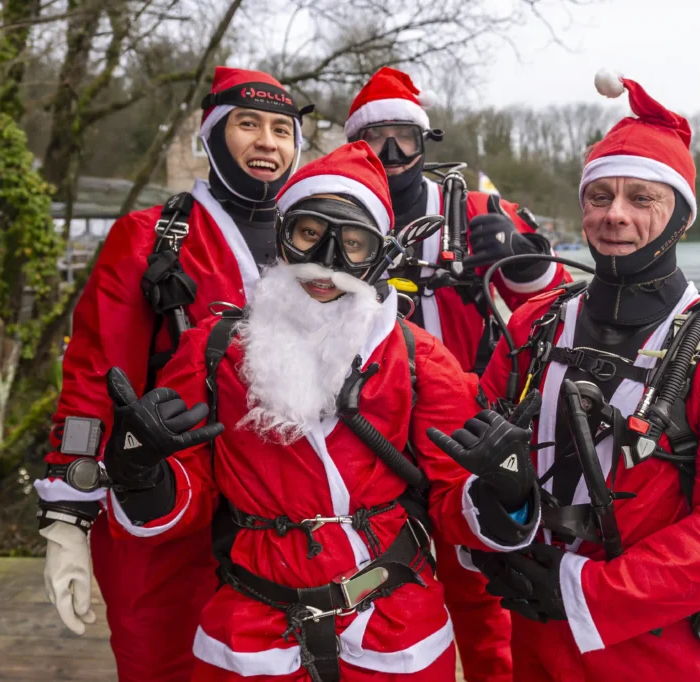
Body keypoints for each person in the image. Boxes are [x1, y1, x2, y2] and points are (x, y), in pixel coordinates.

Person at [98, 141, 542, 682]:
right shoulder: (215, 353)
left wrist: (509, 494)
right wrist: (137, 473)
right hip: (250, 625)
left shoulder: (414, 357)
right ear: (283, 235)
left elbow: (454, 501)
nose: (324, 264)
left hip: (394, 623)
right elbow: (186, 499)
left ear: (376, 256)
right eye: (310, 234)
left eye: (352, 243)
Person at [430, 72, 700, 681]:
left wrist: (584, 592)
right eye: (599, 197)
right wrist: (502, 509)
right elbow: (464, 460)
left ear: (681, 216)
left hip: (665, 653)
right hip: (538, 637)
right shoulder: (533, 326)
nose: (615, 216)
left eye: (641, 199)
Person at [34, 67, 313, 682]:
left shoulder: (318, 240)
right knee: (165, 662)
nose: (268, 141)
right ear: (212, 137)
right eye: (248, 125)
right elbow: (91, 377)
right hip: (166, 497)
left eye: (282, 129)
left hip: (287, 515)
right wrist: (67, 515)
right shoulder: (150, 238)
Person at [344, 67, 569, 681]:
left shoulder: (476, 211)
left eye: (405, 138)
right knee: (379, 596)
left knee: (486, 602)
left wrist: (523, 264)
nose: (391, 155)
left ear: (426, 143)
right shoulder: (338, 215)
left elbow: (557, 305)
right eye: (375, 139)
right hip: (368, 441)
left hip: (469, 429)